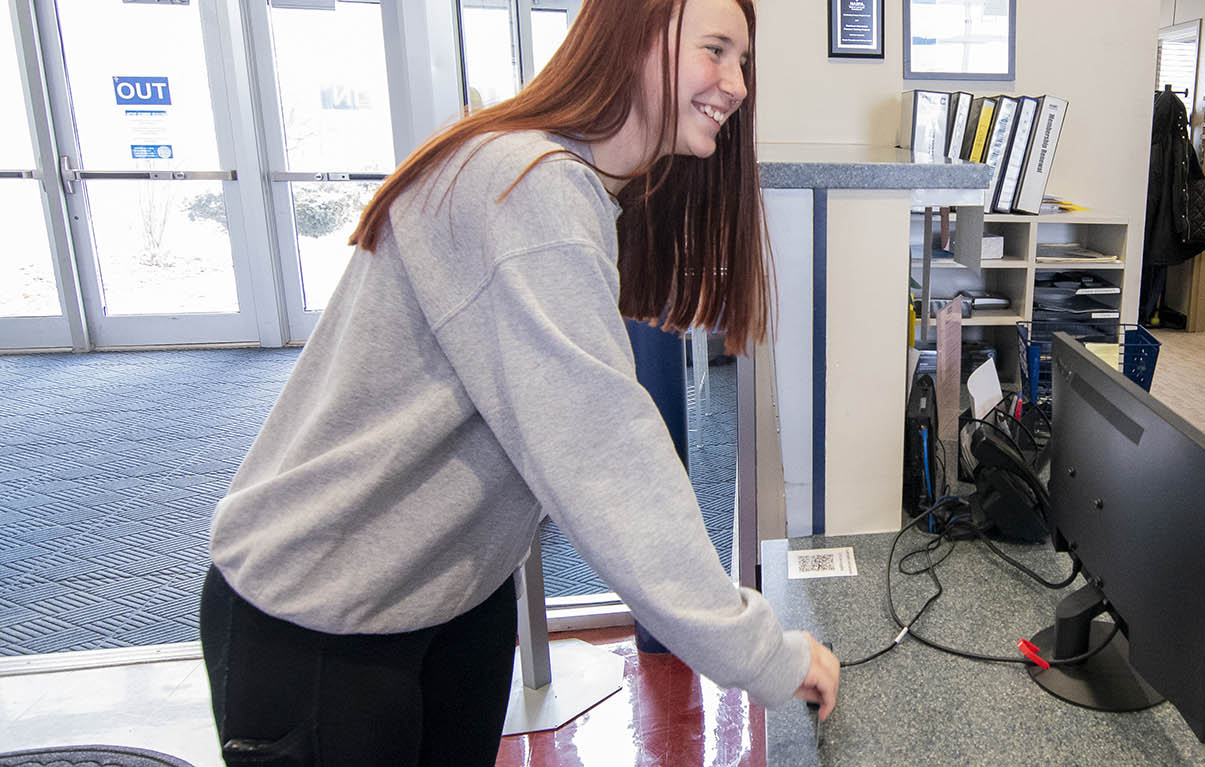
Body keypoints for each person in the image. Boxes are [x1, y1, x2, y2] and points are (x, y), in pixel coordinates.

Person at [198, 0, 838, 764]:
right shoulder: (528, 183)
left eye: (744, 59)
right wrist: (765, 651)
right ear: (633, 38)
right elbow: (605, 457)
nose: (735, 83)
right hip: (322, 614)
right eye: (715, 50)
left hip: (448, 596)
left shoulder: (575, 180)